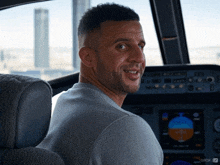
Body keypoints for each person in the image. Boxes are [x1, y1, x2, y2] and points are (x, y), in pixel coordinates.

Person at [37, 3, 163, 165]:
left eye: (140, 46)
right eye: (122, 46)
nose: (139, 58)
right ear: (88, 57)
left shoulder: (56, 102)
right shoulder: (124, 128)